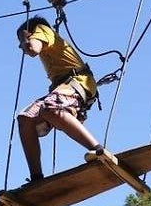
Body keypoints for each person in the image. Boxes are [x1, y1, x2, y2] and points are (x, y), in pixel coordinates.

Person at [15, 15, 103, 185]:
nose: (21, 47)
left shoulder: (42, 29)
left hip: (78, 82)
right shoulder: (48, 43)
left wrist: (26, 39)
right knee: (25, 119)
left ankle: (98, 150)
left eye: (21, 41)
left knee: (50, 107)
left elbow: (33, 49)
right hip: (63, 87)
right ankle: (36, 178)